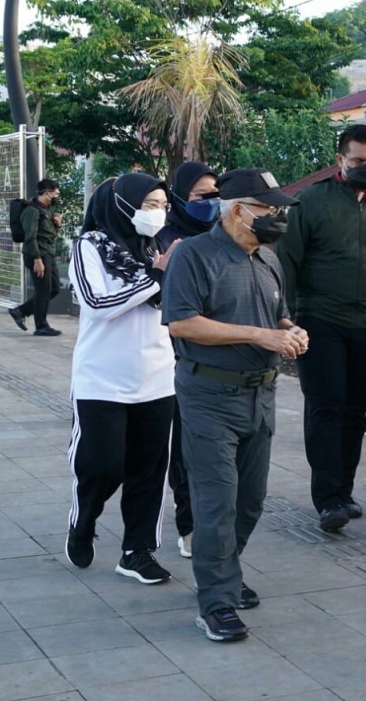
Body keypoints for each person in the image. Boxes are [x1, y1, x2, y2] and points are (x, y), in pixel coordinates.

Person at [163, 168, 308, 642]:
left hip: (260, 395)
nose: (278, 216)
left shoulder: (267, 256)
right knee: (217, 502)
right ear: (238, 209)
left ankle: (222, 571)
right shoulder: (194, 255)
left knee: (250, 501)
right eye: (269, 208)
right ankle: (217, 601)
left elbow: (276, 311)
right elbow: (182, 324)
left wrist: (289, 330)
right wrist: (258, 334)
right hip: (209, 397)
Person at [278, 124, 366, 532]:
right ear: (340, 159)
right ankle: (327, 500)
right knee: (326, 407)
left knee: (355, 412)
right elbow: (287, 263)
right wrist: (285, 319)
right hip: (320, 323)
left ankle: (344, 491)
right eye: (359, 160)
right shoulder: (310, 202)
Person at [64, 174, 177, 586]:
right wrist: (156, 279)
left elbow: (171, 302)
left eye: (162, 204)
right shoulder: (89, 246)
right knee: (104, 464)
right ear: (123, 204)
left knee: (150, 469)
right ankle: (84, 518)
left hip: (157, 376)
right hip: (102, 379)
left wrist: (167, 277)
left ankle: (137, 551)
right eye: (149, 204)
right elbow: (96, 303)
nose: (157, 212)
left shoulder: (157, 247)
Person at [158, 161, 220, 559]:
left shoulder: (223, 237)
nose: (210, 204)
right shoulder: (164, 239)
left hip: (222, 362)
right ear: (180, 198)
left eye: (216, 196)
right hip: (173, 361)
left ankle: (211, 523)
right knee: (182, 449)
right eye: (201, 197)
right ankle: (188, 524)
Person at [9, 179, 63, 336]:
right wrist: (37, 259)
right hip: (36, 254)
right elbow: (30, 237)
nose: (57, 197)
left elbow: (49, 235)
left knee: (54, 289)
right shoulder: (32, 211)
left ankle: (20, 311)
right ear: (47, 193)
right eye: (56, 194)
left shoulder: (47, 210)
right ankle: (41, 325)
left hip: (48, 253)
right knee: (43, 290)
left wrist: (58, 224)